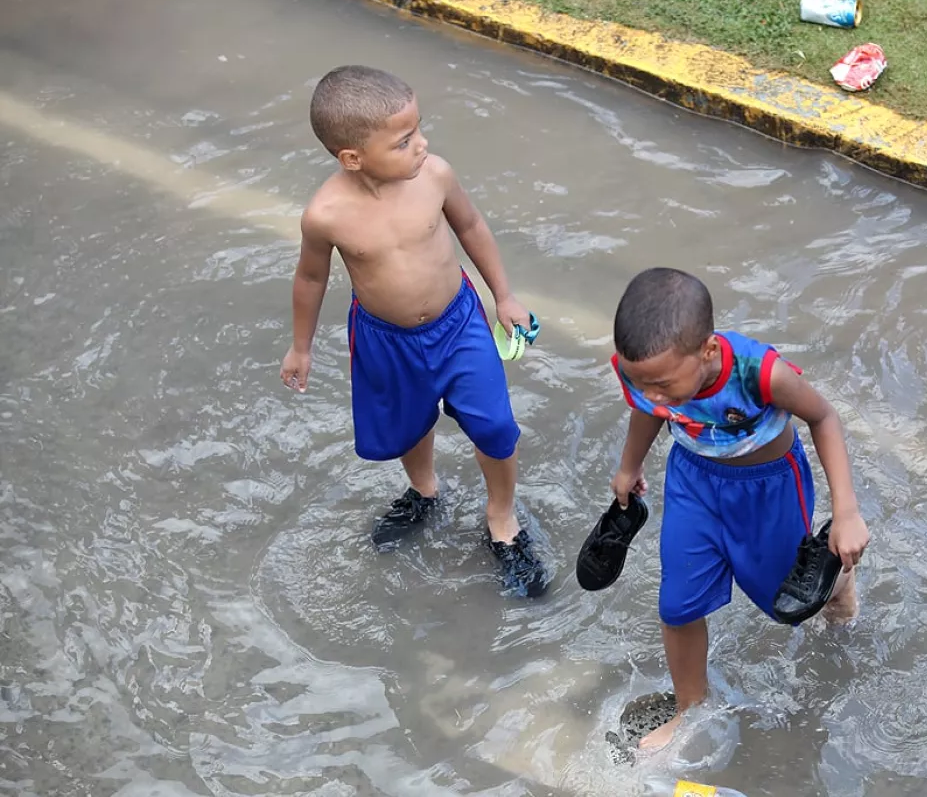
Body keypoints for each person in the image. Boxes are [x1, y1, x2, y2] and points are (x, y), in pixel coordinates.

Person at [278, 64, 545, 596]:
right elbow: (310, 277)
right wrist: (300, 347)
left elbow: (471, 227)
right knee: (407, 423)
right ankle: (425, 492)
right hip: (385, 340)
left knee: (494, 426)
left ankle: (502, 520)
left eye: (420, 129)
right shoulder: (325, 215)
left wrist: (504, 296)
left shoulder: (436, 177)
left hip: (459, 324)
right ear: (352, 157)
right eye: (404, 141)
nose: (421, 145)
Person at [607, 267, 870, 749]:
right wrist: (629, 466)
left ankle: (838, 579)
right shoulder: (649, 376)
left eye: (662, 384)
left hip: (767, 488)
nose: (652, 394)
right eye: (639, 382)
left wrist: (847, 511)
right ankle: (690, 709)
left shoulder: (760, 374)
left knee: (786, 605)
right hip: (693, 483)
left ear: (707, 351)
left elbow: (824, 417)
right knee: (678, 603)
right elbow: (649, 410)